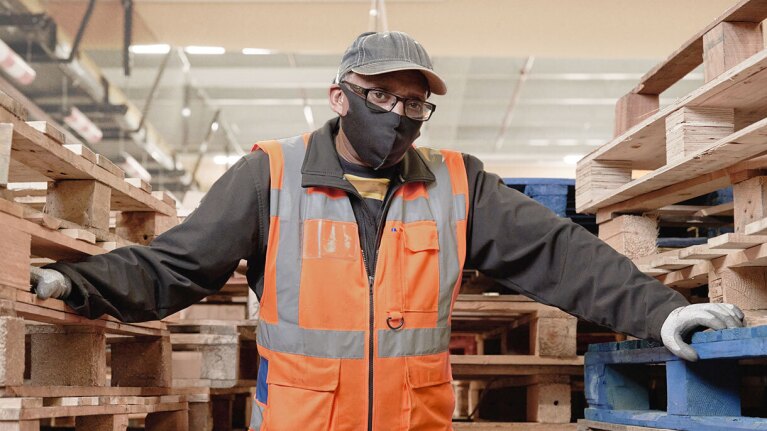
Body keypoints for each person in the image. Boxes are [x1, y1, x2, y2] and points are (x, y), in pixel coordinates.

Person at [31, 31, 744, 430]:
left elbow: (560, 255)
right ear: (339, 97)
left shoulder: (457, 184)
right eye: (380, 97)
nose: (399, 115)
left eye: (413, 103)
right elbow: (174, 266)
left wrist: (663, 308)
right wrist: (76, 281)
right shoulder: (270, 177)